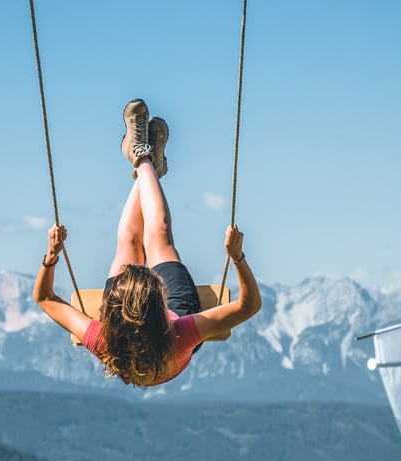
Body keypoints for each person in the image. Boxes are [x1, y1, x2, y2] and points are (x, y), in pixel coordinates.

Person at [34, 98, 262, 387]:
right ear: (160, 300)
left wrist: (51, 256)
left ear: (113, 312)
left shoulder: (104, 339)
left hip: (137, 323)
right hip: (171, 349)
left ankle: (143, 159)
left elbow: (44, 299)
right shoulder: (180, 333)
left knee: (129, 241)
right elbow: (249, 305)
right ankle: (145, 160)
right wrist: (238, 257)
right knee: (159, 236)